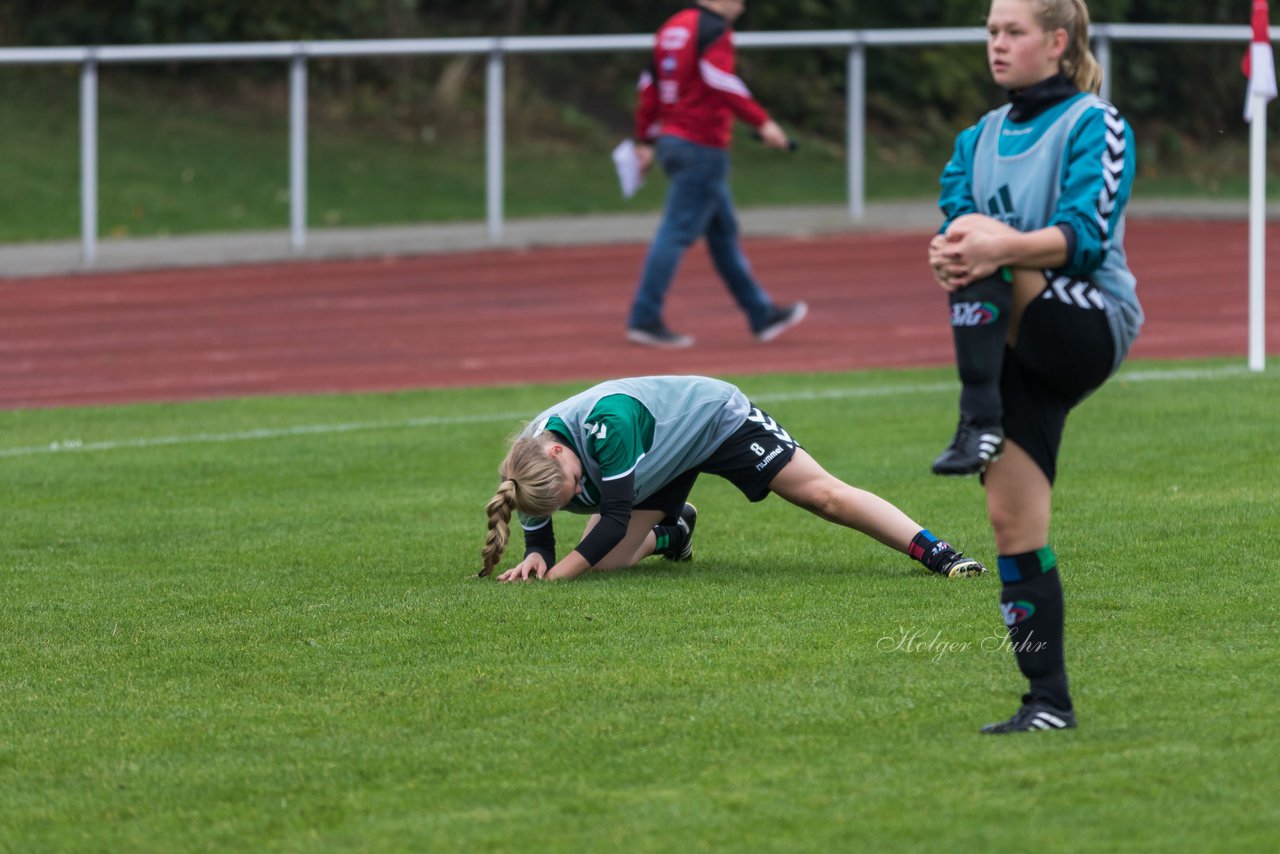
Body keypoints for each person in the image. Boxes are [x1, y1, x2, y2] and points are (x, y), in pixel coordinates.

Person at [927, 0, 1143, 733]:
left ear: (1057, 41)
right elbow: (954, 233)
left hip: (1088, 320)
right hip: (1015, 342)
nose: (997, 43)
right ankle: (1047, 702)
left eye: (1012, 31)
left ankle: (976, 418)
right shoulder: (974, 138)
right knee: (1012, 524)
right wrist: (948, 252)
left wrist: (986, 246)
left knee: (978, 235)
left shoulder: (1096, 124)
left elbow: (1085, 238)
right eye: (991, 31)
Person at [480, 375, 986, 583]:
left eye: (571, 486)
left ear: (559, 449)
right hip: (657, 461)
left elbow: (611, 516)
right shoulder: (527, 468)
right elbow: (542, 532)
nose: (572, 496)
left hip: (715, 421)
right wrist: (536, 558)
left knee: (823, 496)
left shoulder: (606, 425)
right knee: (607, 563)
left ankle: (937, 552)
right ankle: (674, 532)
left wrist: (559, 577)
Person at [625, 0, 807, 349]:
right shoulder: (713, 30)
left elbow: (649, 84)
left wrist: (646, 138)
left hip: (673, 142)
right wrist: (762, 121)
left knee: (723, 233)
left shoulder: (672, 27)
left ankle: (761, 313)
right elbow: (720, 78)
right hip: (700, 146)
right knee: (676, 231)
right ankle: (644, 317)